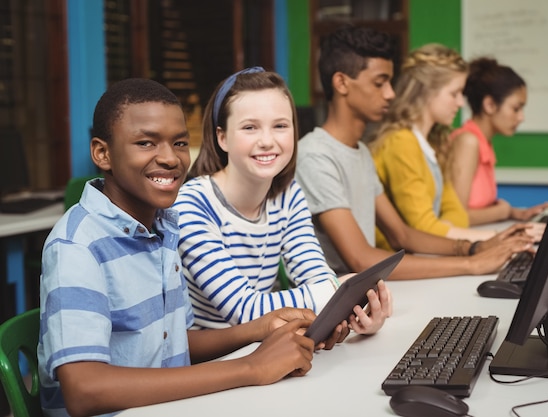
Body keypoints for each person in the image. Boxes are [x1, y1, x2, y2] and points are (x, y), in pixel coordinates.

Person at [38, 78, 343, 417]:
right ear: (102, 153)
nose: (170, 158)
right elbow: (84, 391)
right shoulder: (77, 246)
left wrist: (261, 328)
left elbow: (177, 341)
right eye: (145, 143)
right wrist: (250, 368)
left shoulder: (164, 224)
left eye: (180, 143)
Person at [295, 26, 533, 281]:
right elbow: (360, 258)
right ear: (341, 83)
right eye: (379, 83)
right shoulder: (315, 156)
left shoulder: (360, 152)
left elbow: (402, 234)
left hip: (368, 294)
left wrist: (473, 247)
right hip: (337, 304)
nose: (390, 93)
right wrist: (471, 263)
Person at [174, 68, 390, 333]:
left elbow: (315, 275)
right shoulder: (192, 204)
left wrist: (355, 311)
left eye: (280, 126)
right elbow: (244, 310)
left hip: (266, 347)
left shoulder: (289, 195)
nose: (267, 141)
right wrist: (337, 290)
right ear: (222, 137)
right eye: (250, 127)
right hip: (212, 362)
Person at [369, 43, 503, 244]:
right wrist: (495, 239)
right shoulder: (401, 142)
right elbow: (422, 227)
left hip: (426, 254)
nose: (460, 103)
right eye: (454, 93)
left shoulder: (429, 143)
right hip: (397, 263)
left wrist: (444, 227)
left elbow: (458, 212)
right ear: (427, 92)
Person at [449, 57, 548, 225]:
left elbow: (479, 207)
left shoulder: (483, 142)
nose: (521, 117)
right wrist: (502, 211)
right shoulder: (467, 142)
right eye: (516, 108)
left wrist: (516, 213)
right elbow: (457, 217)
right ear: (490, 105)